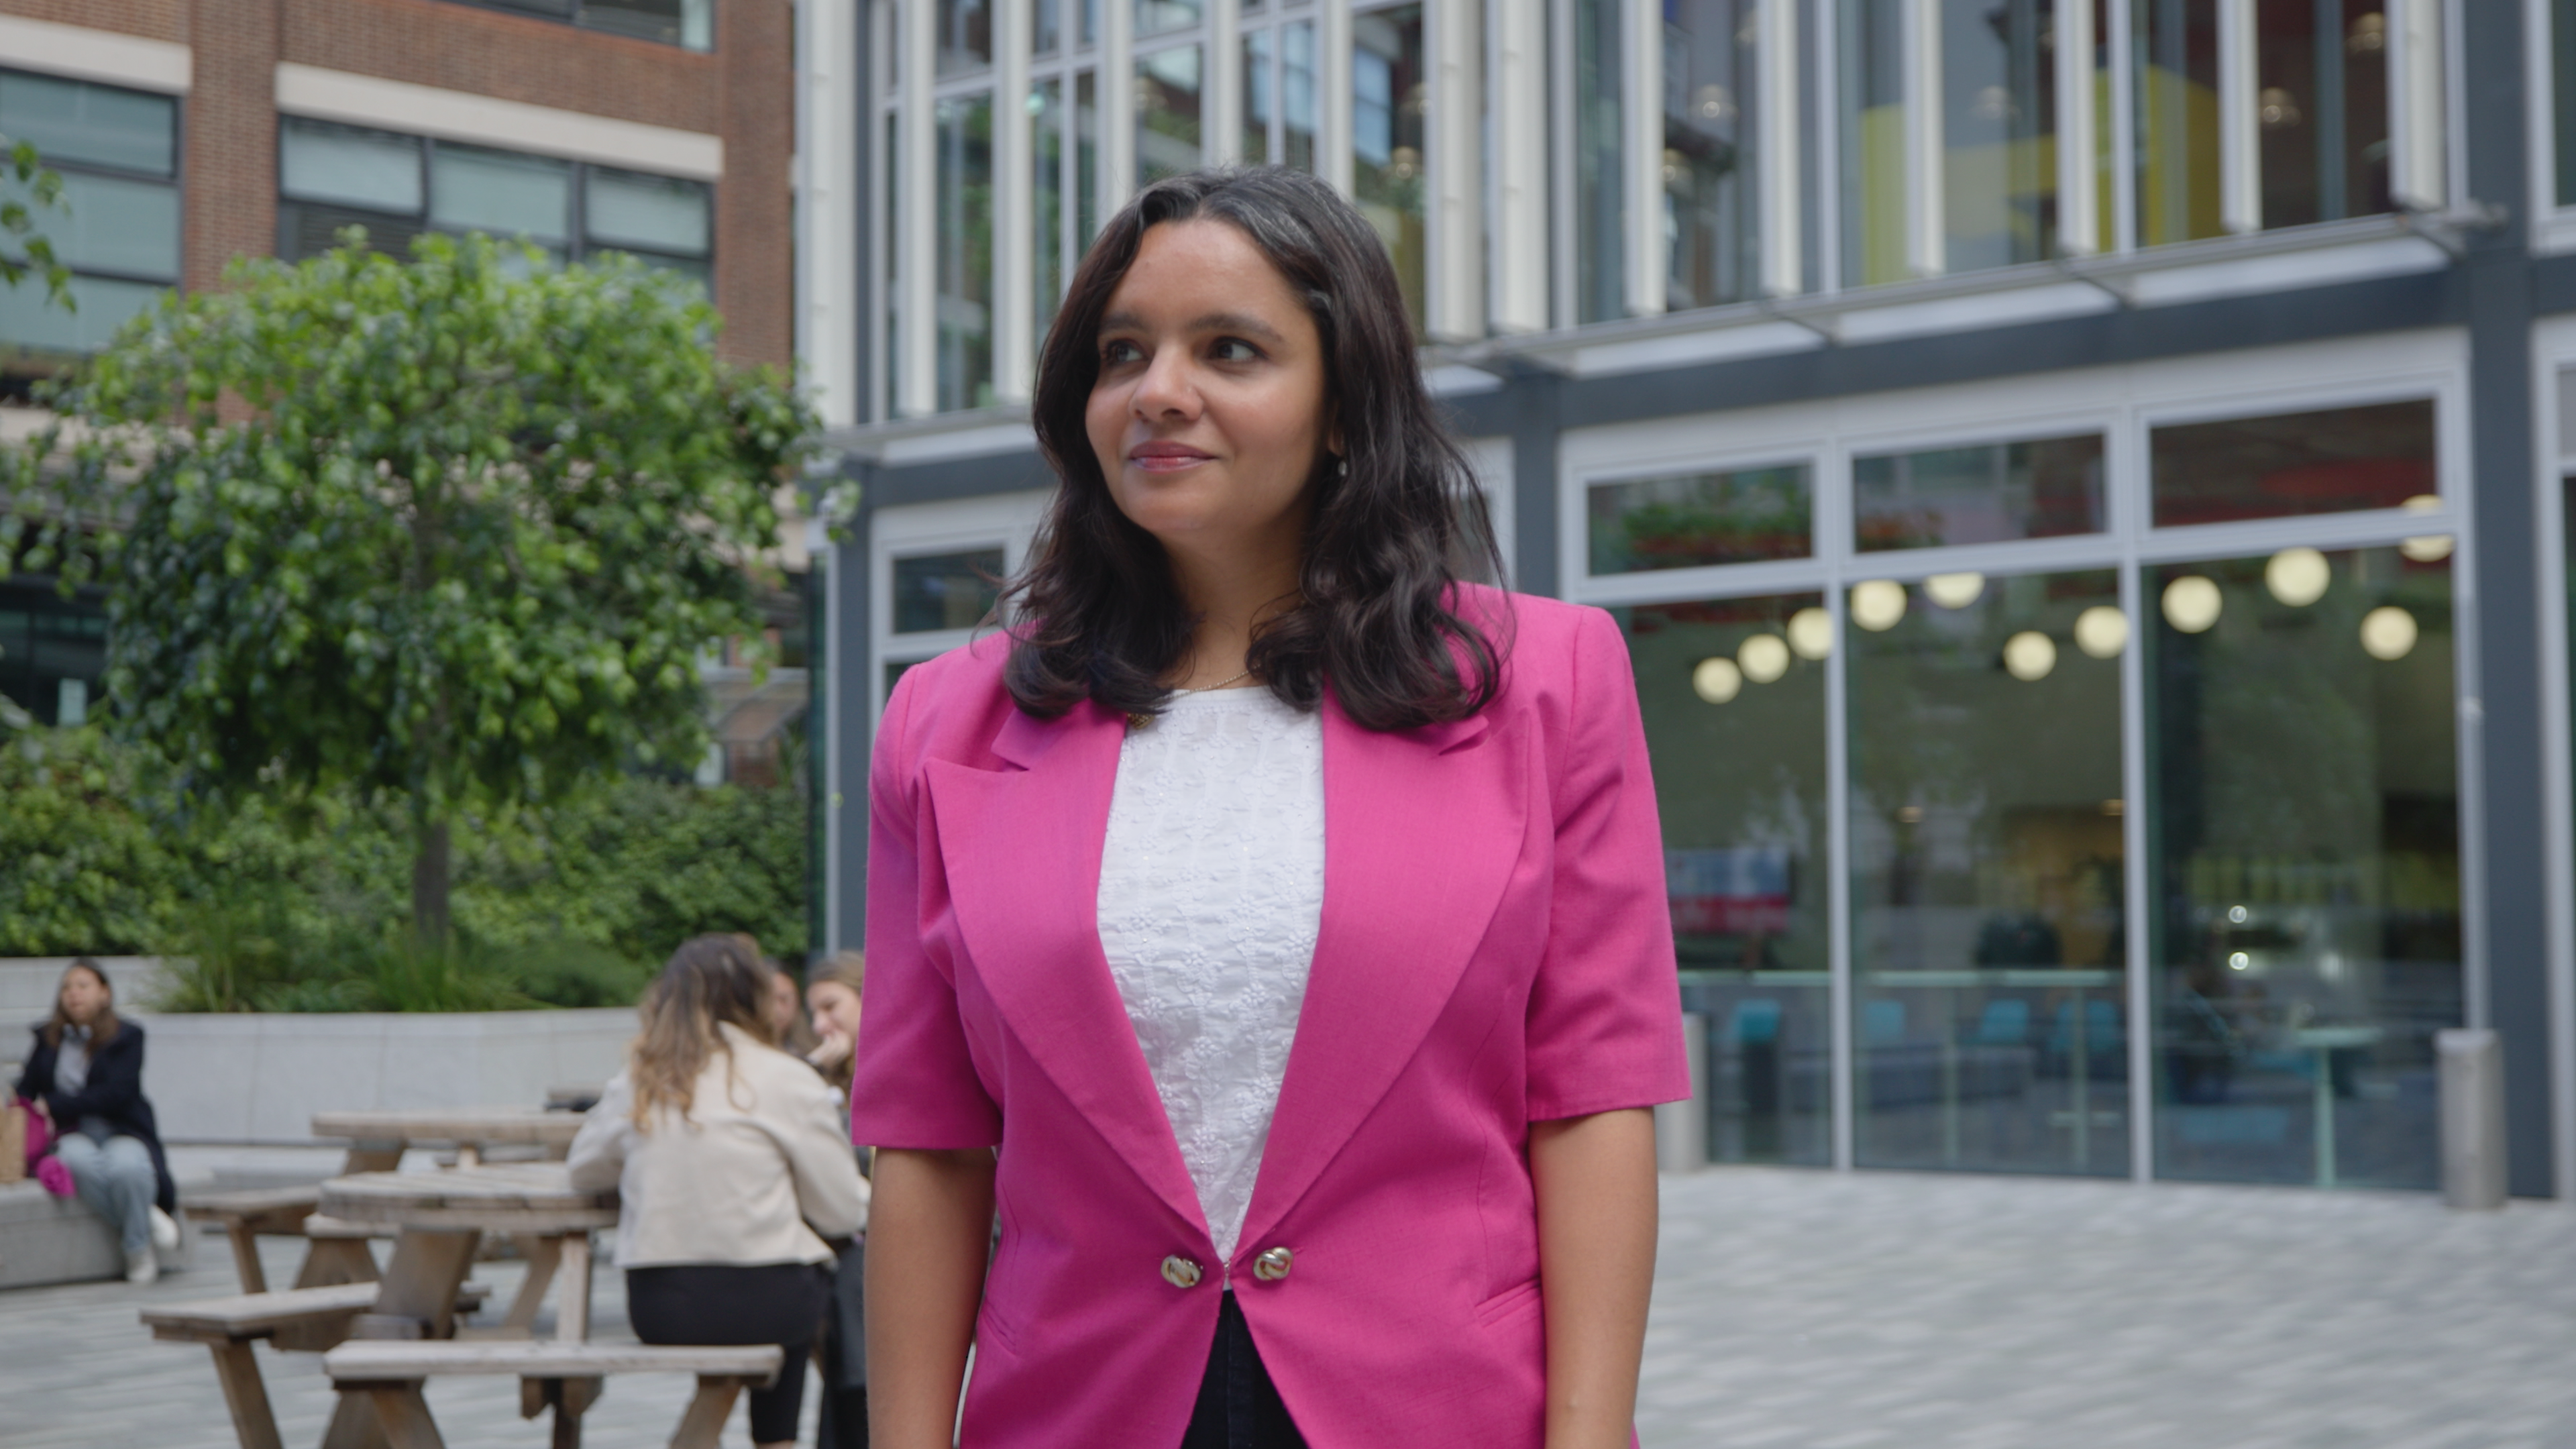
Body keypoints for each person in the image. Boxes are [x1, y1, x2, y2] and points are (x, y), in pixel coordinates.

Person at [851, 168, 1688, 1449]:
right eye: (1122, 354)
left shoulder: (1548, 684)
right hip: (1080, 1406)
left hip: (1435, 1405)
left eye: (1229, 350)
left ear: (1344, 405)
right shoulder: (942, 725)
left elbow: (1589, 1104)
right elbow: (930, 1146)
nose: (1159, 391)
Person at [570, 934, 868, 1449]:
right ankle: (777, 1440)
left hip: (662, 1307)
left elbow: (583, 1171)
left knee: (789, 1297)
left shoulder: (643, 1076)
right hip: (772, 1300)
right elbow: (842, 1212)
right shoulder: (785, 1076)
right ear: (756, 997)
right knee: (805, 1294)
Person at [13, 959, 181, 1284]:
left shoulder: (127, 1036)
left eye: (83, 986)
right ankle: (143, 1230)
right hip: (71, 1131)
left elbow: (116, 1093)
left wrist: (54, 1104)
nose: (73, 994)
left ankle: (136, 1248)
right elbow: (27, 1087)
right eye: (67, 987)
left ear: (105, 993)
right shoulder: (48, 1038)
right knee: (77, 1162)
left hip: (121, 1128)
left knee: (128, 1168)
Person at [804, 952, 865, 1094]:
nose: (818, 1026)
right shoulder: (830, 1070)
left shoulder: (901, 1064)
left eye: (830, 1006)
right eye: (813, 1014)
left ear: (865, 996)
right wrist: (814, 1070)